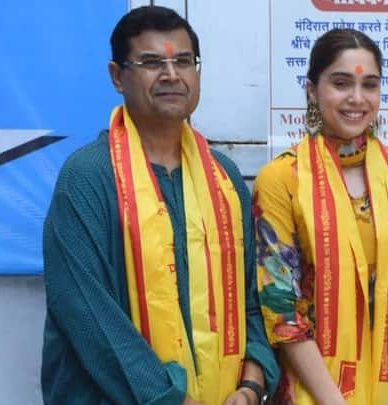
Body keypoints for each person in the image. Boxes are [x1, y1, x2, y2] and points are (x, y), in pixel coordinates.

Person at [41, 6, 278, 405]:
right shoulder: (88, 176)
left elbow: (252, 300)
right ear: (117, 76)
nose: (171, 74)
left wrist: (252, 385)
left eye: (183, 61)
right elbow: (87, 314)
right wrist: (169, 398)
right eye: (151, 62)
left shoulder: (225, 178)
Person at [253, 28, 388, 404]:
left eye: (369, 85)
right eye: (341, 83)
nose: (357, 98)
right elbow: (281, 310)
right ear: (311, 90)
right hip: (314, 391)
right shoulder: (282, 179)